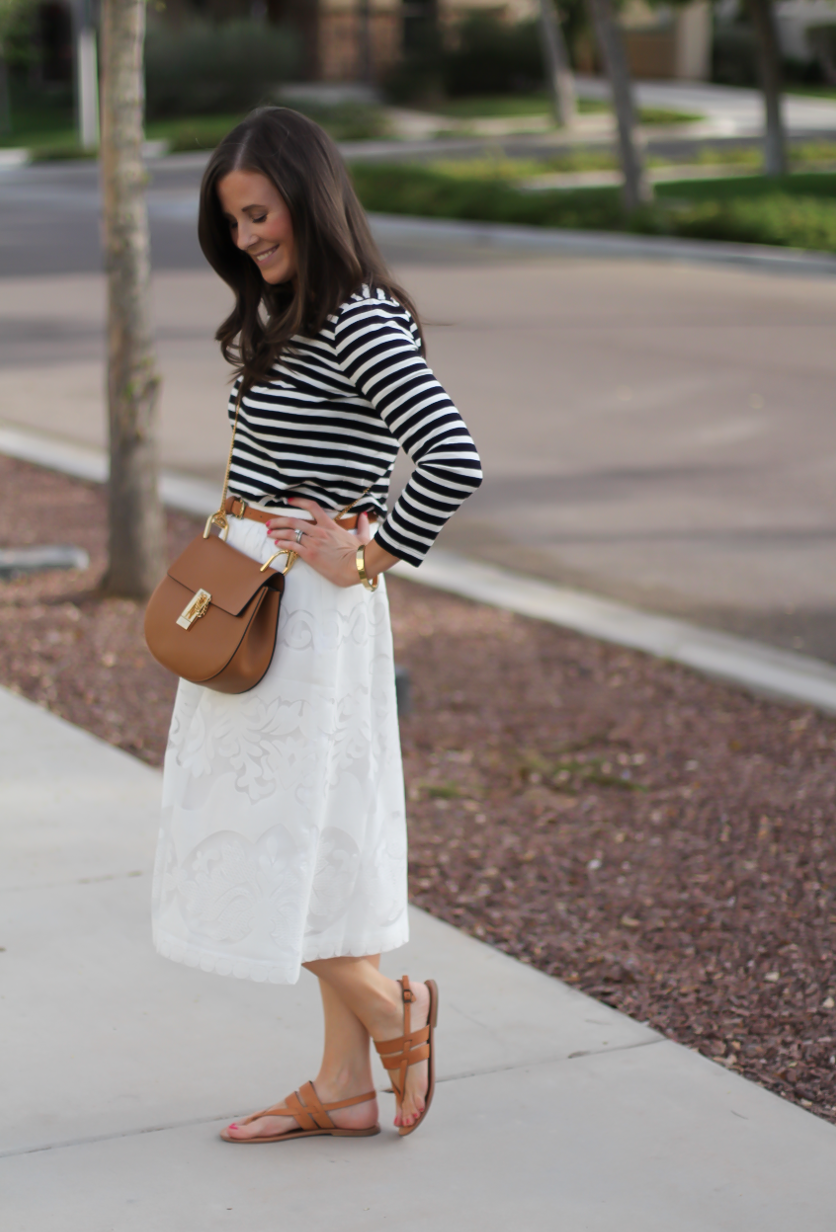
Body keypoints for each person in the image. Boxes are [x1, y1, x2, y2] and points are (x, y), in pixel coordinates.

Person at [150, 106, 482, 1142]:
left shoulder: (356, 316)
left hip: (303, 611)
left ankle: (394, 1014)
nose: (246, 238)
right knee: (316, 841)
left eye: (258, 214)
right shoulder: (288, 307)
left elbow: (453, 456)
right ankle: (342, 1084)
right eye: (233, 224)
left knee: (265, 841)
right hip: (249, 593)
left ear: (307, 195)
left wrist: (372, 549)